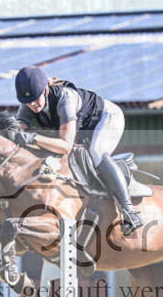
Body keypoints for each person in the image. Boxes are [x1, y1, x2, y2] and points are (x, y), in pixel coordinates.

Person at [13, 65, 142, 235]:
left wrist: (34, 138)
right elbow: (19, 132)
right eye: (27, 101)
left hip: (107, 118)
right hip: (82, 129)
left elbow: (65, 146)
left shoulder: (65, 97)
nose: (32, 104)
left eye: (36, 98)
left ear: (45, 90)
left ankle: (129, 210)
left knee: (96, 152)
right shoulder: (28, 103)